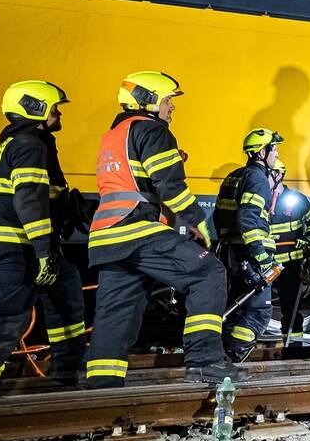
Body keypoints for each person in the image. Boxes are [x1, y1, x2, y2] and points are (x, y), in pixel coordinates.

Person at [86, 71, 239, 387]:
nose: (172, 107)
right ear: (149, 100)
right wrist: (198, 220)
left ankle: (102, 387)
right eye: (168, 99)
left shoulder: (113, 135)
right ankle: (205, 362)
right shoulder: (152, 130)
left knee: (117, 312)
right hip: (136, 230)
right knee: (208, 272)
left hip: (106, 237)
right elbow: (170, 186)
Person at [0, 81, 86, 397]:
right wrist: (44, 252)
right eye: (54, 108)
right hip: (15, 247)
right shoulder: (28, 144)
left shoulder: (31, 142)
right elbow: (29, 199)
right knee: (7, 316)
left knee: (66, 293)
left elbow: (46, 194)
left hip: (29, 244)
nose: (58, 114)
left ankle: (66, 373)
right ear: (35, 108)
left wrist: (70, 206)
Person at [213, 128, 284, 361]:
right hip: (249, 254)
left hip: (231, 253)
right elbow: (248, 220)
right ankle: (233, 358)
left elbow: (218, 216)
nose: (276, 154)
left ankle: (220, 355)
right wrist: (261, 258)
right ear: (262, 152)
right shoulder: (258, 179)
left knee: (236, 307)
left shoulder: (233, 176)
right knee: (258, 312)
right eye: (274, 149)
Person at [267, 159, 310, 344]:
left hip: (290, 264)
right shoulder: (261, 198)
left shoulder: (295, 200)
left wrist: (308, 239)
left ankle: (293, 346)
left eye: (268, 173)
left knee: (291, 308)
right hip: (266, 263)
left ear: (279, 175)